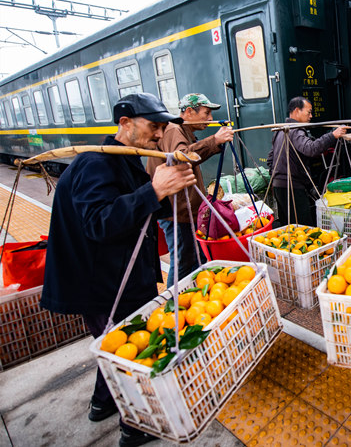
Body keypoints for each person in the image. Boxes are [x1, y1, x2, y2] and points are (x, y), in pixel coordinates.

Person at [41, 93, 196, 447]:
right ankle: (135, 426)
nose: (160, 135)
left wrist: (167, 190)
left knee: (115, 347)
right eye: (153, 127)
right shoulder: (94, 164)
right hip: (101, 282)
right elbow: (99, 222)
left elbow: (139, 211)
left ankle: (101, 403)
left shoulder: (128, 161)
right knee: (128, 353)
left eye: (162, 127)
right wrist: (154, 191)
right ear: (124, 124)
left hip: (125, 275)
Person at [146, 93, 234, 287]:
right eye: (206, 112)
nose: (210, 119)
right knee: (183, 263)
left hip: (185, 210)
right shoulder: (173, 130)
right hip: (176, 213)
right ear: (188, 112)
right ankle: (172, 306)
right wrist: (215, 140)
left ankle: (192, 297)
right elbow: (183, 156)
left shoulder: (182, 131)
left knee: (195, 260)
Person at [266, 96, 346, 226]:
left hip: (279, 186)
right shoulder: (295, 130)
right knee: (303, 227)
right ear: (297, 110)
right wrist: (332, 135)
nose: (311, 116)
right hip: (292, 187)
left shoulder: (280, 130)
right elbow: (311, 149)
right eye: (308, 112)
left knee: (288, 226)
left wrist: (278, 177)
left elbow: (270, 159)